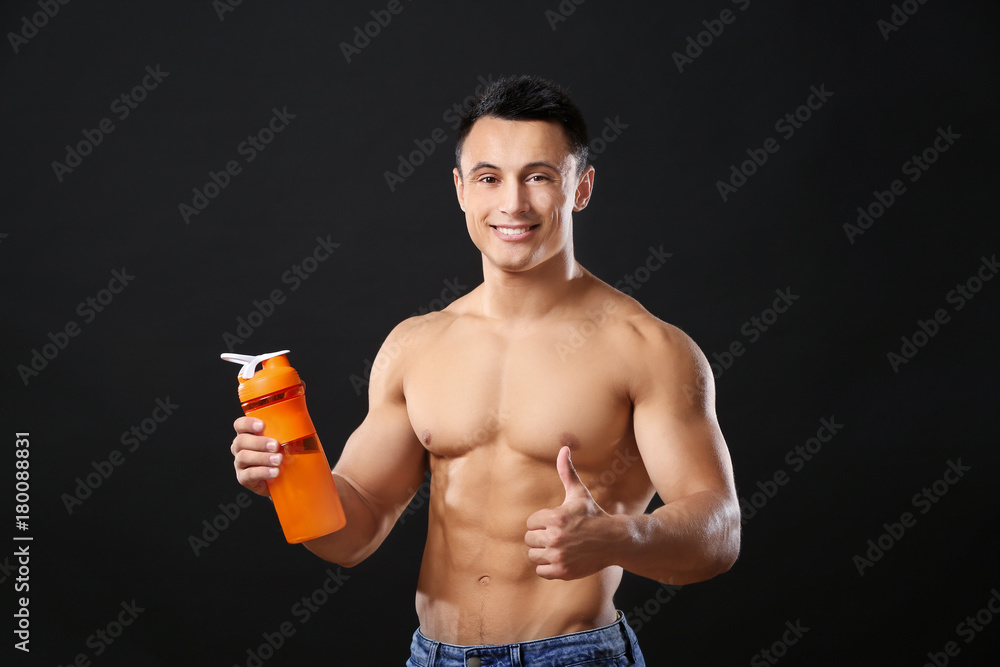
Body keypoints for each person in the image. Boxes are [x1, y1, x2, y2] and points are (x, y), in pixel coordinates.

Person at [231, 75, 740, 666]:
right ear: (460, 190)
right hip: (434, 657)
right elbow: (355, 532)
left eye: (539, 176)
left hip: (571, 656)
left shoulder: (647, 347)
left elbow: (720, 533)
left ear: (581, 187)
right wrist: (289, 476)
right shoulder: (416, 345)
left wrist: (620, 539)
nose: (513, 204)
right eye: (489, 178)